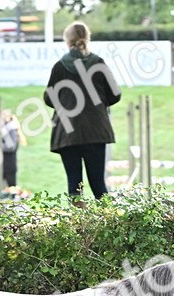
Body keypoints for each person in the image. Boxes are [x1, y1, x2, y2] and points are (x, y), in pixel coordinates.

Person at [43, 22, 121, 200]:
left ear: (67, 41)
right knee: (98, 184)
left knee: (74, 185)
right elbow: (115, 95)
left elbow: (49, 98)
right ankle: (108, 222)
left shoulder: (60, 66)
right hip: (95, 131)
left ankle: (77, 225)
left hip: (68, 133)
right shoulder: (99, 64)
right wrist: (98, 105)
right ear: (87, 39)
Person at [0, 109, 25, 188]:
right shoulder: (6, 129)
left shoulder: (11, 129)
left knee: (10, 189)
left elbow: (11, 147)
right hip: (5, 165)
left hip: (9, 165)